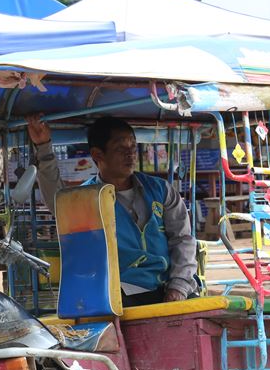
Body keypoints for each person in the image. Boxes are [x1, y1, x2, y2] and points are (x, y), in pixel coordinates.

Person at [27, 114, 197, 307]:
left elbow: (183, 240)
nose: (130, 154)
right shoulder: (87, 198)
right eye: (121, 148)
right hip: (121, 292)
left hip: (170, 287)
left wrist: (179, 286)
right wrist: (43, 147)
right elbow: (57, 202)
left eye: (133, 147)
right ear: (98, 154)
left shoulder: (162, 190)